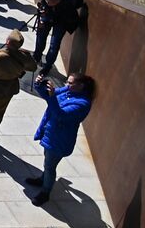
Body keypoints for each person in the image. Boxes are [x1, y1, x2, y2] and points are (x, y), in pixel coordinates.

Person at [26, 73, 95, 205]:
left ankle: (45, 192)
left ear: (81, 86)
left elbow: (60, 115)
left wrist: (52, 97)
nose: (66, 85)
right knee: (48, 162)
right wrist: (40, 85)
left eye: (70, 83)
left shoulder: (82, 104)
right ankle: (43, 179)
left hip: (60, 140)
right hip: (51, 133)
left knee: (50, 166)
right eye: (67, 82)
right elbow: (48, 95)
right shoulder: (68, 90)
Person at [33, 0, 89, 73]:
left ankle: (48, 66)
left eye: (50, 4)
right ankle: (36, 57)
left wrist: (49, 15)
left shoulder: (69, 2)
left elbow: (64, 18)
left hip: (62, 21)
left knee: (54, 44)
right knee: (40, 36)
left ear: (58, 1)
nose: (48, 4)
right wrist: (42, 15)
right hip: (50, 16)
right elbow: (44, 5)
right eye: (47, 1)